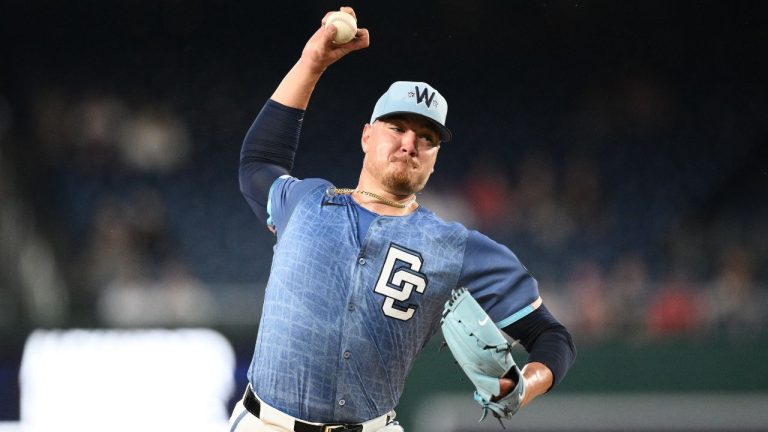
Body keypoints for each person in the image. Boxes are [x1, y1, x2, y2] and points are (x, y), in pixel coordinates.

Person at [229, 7, 576, 432]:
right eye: (397, 127)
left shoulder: (457, 248)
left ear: (434, 160)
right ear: (366, 135)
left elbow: (552, 337)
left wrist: (525, 384)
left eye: (426, 138)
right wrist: (312, 63)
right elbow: (258, 162)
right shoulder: (304, 201)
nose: (410, 143)